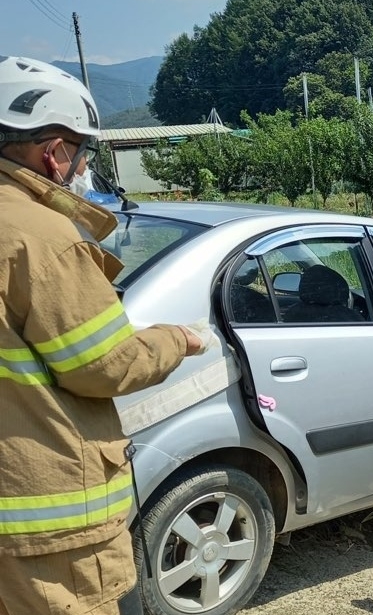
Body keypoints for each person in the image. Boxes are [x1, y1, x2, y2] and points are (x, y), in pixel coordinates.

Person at [0, 56, 207, 614]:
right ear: (56, 151)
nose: (81, 166)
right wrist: (175, 339)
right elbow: (104, 365)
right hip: (43, 527)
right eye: (83, 152)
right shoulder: (40, 236)